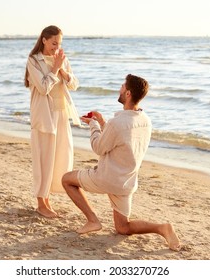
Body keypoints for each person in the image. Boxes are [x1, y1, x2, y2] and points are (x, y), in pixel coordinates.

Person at [62, 74, 181, 251]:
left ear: (128, 93)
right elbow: (121, 142)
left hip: (106, 178)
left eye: (123, 86)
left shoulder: (117, 123)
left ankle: (92, 220)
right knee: (122, 227)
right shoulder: (145, 121)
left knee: (66, 179)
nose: (120, 88)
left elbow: (99, 147)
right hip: (126, 182)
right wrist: (102, 122)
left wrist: (93, 126)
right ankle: (162, 228)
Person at [24, 25, 80, 218]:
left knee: (59, 159)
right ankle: (41, 203)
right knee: (43, 160)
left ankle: (47, 200)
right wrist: (56, 69)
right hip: (44, 116)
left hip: (61, 113)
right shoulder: (34, 60)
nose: (56, 47)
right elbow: (43, 88)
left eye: (60, 44)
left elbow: (74, 84)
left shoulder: (62, 59)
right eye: (54, 43)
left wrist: (64, 72)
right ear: (44, 40)